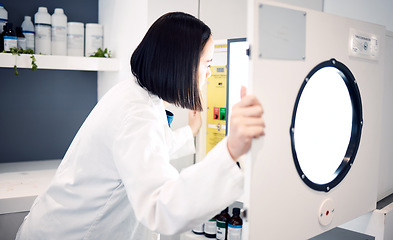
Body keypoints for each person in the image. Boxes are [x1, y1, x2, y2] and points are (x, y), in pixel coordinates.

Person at [16, 12, 265, 239]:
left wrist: (191, 131)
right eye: (207, 64)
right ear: (181, 63)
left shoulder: (135, 95)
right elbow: (161, 208)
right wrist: (231, 151)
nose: (209, 74)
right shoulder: (136, 113)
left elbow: (152, 149)